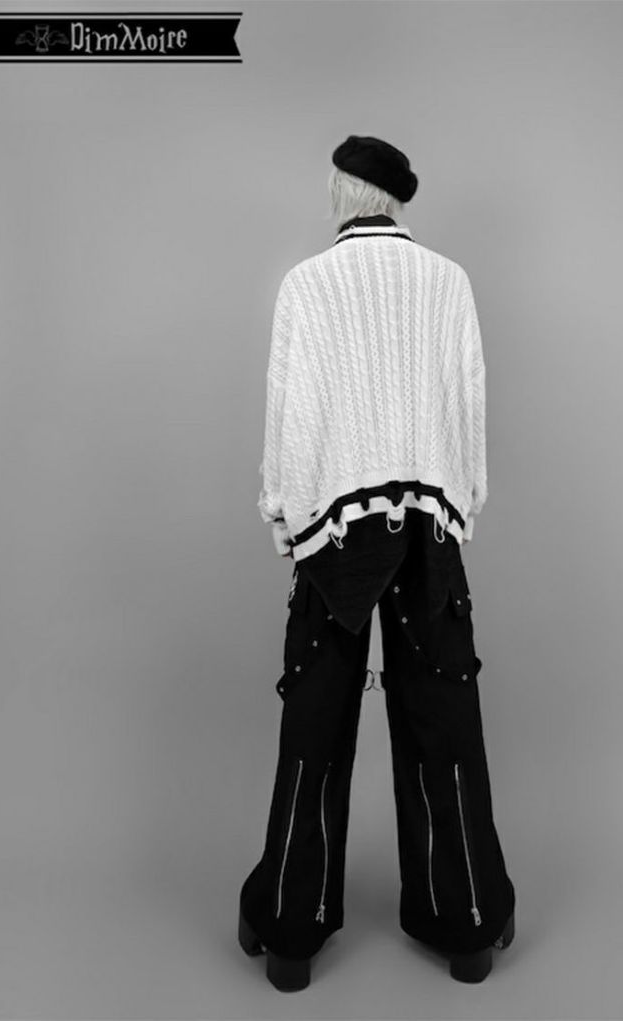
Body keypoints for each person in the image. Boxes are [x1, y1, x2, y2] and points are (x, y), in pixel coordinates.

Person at [238, 135, 516, 991]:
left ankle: (290, 932)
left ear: (343, 192)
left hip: (335, 538)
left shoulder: (306, 285)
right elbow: (469, 399)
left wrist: (286, 517)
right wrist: (460, 500)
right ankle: (467, 922)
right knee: (444, 718)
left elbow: (290, 413)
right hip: (428, 530)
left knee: (317, 721)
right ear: (395, 198)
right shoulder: (449, 281)